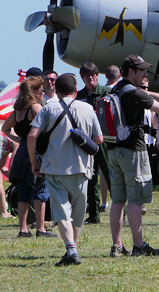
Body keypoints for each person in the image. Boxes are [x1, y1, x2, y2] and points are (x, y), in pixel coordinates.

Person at [26, 73, 104, 266]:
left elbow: (32, 135)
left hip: (55, 167)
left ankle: (71, 249)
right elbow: (99, 140)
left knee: (61, 212)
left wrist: (33, 160)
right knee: (78, 213)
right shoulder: (87, 108)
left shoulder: (48, 109)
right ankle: (72, 248)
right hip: (82, 167)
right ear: (76, 90)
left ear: (57, 91)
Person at [107, 55, 159, 258]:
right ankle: (139, 245)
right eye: (141, 70)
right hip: (134, 151)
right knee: (135, 200)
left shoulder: (115, 89)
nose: (146, 73)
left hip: (114, 150)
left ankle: (117, 246)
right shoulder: (136, 94)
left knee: (118, 200)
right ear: (130, 72)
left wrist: (149, 92)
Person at [1, 76, 52, 238]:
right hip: (35, 151)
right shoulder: (36, 109)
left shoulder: (18, 110)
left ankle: (23, 229)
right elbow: (46, 130)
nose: (43, 93)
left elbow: (6, 128)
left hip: (22, 151)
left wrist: (19, 139)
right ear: (35, 92)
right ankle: (41, 228)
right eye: (41, 90)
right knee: (40, 190)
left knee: (23, 190)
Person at [76, 62, 111, 223]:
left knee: (111, 175)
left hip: (103, 139)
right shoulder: (79, 96)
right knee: (90, 177)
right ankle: (94, 214)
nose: (92, 78)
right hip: (86, 141)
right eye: (88, 75)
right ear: (82, 78)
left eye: (94, 74)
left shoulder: (107, 92)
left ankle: (121, 213)